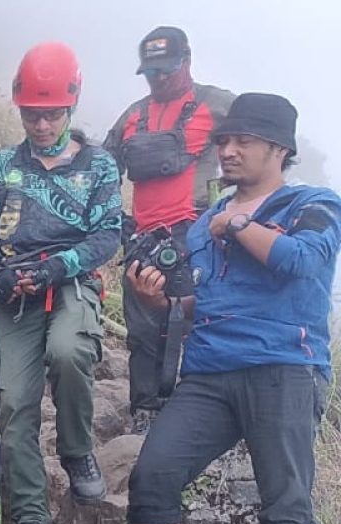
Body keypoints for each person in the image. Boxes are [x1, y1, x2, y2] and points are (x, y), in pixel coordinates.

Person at [120, 93, 338, 524]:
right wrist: (156, 297)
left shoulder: (312, 204)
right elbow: (195, 305)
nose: (229, 150)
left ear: (279, 149)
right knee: (153, 475)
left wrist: (239, 223)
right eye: (223, 141)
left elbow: (302, 261)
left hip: (284, 369)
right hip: (210, 374)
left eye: (243, 141)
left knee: (286, 499)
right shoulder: (201, 224)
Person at [0, 42, 123, 524]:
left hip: (71, 281)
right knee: (12, 403)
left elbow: (106, 236)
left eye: (51, 114)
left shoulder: (98, 168)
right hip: (15, 293)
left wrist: (58, 266)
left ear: (70, 107)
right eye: (32, 114)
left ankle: (77, 451)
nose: (40, 124)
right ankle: (32, 516)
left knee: (70, 351)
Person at [103, 27, 234, 430]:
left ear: (187, 61)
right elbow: (104, 168)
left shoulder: (219, 104)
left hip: (198, 233)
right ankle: (144, 410)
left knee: (198, 321)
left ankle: (199, 411)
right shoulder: (132, 115)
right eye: (151, 72)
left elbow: (261, 145)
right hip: (145, 236)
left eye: (166, 70)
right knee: (143, 327)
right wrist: (118, 222)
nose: (158, 79)